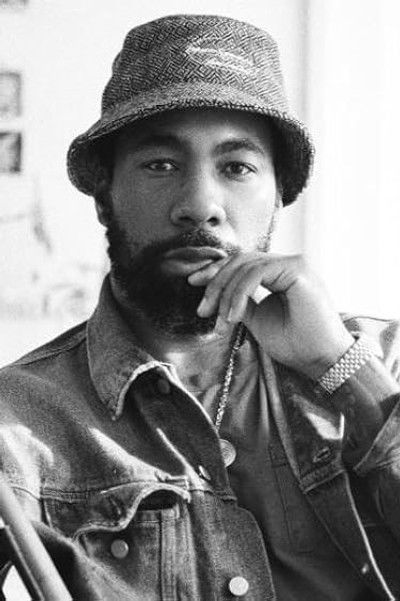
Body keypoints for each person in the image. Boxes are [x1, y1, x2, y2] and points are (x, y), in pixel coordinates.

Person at [0, 13, 399, 601]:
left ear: (279, 197)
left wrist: (339, 368)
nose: (199, 204)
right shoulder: (17, 422)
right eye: (160, 165)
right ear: (104, 196)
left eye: (237, 168)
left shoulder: (382, 361)